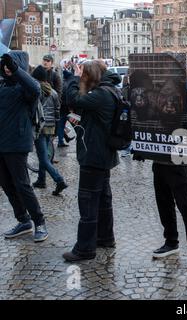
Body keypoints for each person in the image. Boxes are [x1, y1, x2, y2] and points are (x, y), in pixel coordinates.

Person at [62, 60, 120, 262]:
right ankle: (105, 237)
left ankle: (85, 248)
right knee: (103, 199)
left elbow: (72, 98)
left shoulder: (101, 95)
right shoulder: (110, 90)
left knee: (87, 201)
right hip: (103, 154)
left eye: (84, 75)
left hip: (94, 155)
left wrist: (74, 77)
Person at [148, 89, 187, 270]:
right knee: (163, 202)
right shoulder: (156, 96)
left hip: (179, 159)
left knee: (185, 205)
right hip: (159, 157)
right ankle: (171, 241)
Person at [0, 51, 48, 242]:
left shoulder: (25, 88)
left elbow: (35, 89)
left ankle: (40, 222)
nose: (6, 68)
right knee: (6, 184)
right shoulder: (2, 85)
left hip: (17, 143)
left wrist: (16, 69)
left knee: (22, 185)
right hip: (1, 143)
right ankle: (23, 220)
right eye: (5, 65)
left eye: (10, 65)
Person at [30, 65, 68, 194]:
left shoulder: (36, 91)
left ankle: (59, 180)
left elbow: (33, 110)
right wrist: (56, 128)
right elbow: (57, 111)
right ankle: (41, 180)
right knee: (44, 154)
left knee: (43, 158)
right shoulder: (53, 92)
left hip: (40, 127)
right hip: (50, 127)